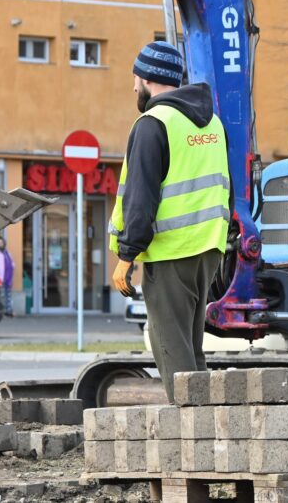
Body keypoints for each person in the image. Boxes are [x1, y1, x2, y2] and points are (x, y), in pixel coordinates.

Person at [108, 41, 230, 403]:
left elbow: (141, 197)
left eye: (135, 78)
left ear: (147, 79)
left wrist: (127, 256)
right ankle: (206, 424)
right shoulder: (213, 123)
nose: (133, 86)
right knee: (190, 348)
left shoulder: (153, 123)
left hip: (170, 251)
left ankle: (194, 431)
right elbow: (227, 188)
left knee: (171, 349)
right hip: (208, 248)